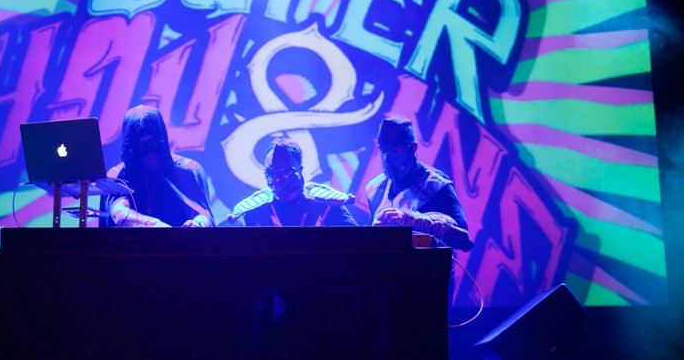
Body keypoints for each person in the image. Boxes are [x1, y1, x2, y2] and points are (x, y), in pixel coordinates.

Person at [367, 115, 474, 251]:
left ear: (413, 148)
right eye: (383, 150)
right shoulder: (375, 189)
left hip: (428, 264)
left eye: (396, 150)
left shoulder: (437, 185)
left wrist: (413, 221)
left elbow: (464, 240)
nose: (387, 158)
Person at [104, 105, 213, 227]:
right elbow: (119, 213)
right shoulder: (119, 175)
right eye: (142, 148)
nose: (150, 154)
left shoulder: (188, 170)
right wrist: (154, 224)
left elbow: (203, 215)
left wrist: (197, 223)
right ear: (131, 147)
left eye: (154, 145)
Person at [226, 138, 357, 226]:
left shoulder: (326, 204)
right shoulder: (256, 210)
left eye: (284, 172)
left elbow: (357, 244)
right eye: (271, 173)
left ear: (299, 170)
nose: (277, 180)